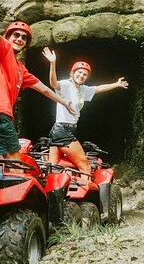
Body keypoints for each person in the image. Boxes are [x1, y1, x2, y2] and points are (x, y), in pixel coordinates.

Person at [0, 0, 76, 160]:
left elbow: (44, 89)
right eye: (16, 35)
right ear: (8, 37)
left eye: (24, 38)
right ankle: (7, 180)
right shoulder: (3, 49)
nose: (20, 39)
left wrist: (64, 102)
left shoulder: (21, 69)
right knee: (13, 159)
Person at [42, 47, 128, 175]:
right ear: (72, 73)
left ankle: (53, 187)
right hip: (63, 131)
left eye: (85, 74)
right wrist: (53, 63)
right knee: (85, 168)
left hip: (62, 130)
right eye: (79, 72)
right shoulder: (66, 85)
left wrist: (116, 84)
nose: (81, 76)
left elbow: (98, 88)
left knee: (53, 167)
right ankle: (87, 187)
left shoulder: (83, 90)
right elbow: (53, 83)